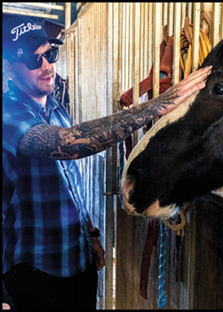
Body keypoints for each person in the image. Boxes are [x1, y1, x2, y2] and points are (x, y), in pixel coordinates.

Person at [2, 16, 212, 309]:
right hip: (35, 269)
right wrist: (162, 102)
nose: (48, 66)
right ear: (8, 67)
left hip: (78, 260)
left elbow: (70, 181)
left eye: (50, 54)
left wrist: (91, 235)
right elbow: (70, 145)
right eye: (34, 61)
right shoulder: (7, 114)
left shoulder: (55, 108)